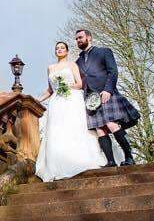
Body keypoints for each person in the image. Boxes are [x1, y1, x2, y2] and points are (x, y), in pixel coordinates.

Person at [35, 41, 107, 180]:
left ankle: (78, 159)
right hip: (56, 102)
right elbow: (50, 89)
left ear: (67, 51)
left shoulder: (72, 65)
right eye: (57, 48)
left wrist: (67, 87)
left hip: (71, 99)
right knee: (56, 130)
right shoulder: (50, 68)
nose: (59, 50)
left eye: (62, 48)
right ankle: (57, 164)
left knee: (73, 127)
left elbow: (79, 84)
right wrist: (37, 100)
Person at [75, 28, 139, 167]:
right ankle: (110, 161)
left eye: (80, 37)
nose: (78, 40)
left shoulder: (104, 52)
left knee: (112, 124)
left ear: (89, 37)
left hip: (105, 93)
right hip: (90, 99)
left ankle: (129, 157)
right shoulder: (78, 62)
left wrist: (108, 90)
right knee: (99, 128)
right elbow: (80, 81)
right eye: (77, 39)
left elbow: (113, 71)